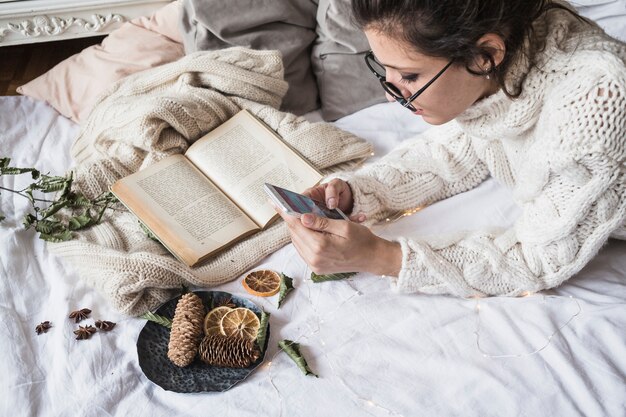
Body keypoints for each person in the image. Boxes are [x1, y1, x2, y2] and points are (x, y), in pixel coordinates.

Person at [275, 0, 626, 297]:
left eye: (409, 77)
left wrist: (382, 257)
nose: (390, 94)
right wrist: (358, 193)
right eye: (385, 70)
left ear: (486, 55)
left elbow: (538, 260)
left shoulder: (598, 98)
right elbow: (459, 150)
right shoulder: (511, 41)